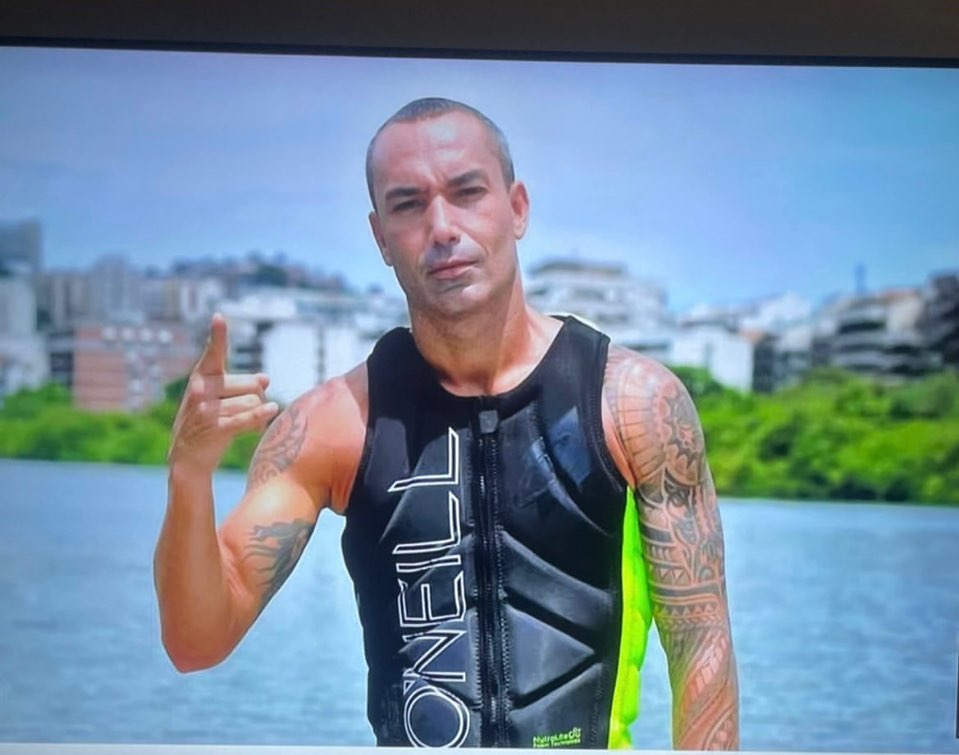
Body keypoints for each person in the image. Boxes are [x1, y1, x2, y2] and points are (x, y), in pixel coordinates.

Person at [154, 97, 739, 749]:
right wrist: (189, 476)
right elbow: (196, 642)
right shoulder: (333, 424)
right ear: (381, 238)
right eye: (408, 204)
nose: (441, 227)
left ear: (516, 208)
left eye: (467, 193)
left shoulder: (631, 404)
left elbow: (701, 649)